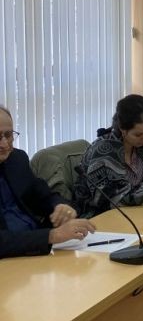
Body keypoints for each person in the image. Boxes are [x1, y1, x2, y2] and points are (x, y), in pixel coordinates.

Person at [0, 105, 96, 258]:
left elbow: (43, 194)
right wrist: (52, 235)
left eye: (8, 135)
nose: (5, 144)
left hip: (37, 250)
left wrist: (60, 206)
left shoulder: (17, 159)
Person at [73, 95, 143, 218]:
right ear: (123, 128)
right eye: (138, 134)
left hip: (135, 214)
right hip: (99, 219)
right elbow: (107, 199)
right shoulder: (103, 151)